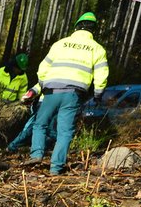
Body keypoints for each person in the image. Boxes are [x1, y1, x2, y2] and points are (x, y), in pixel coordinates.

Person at [27, 12, 109, 175]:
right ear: (93, 30)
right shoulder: (97, 49)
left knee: (40, 124)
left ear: (77, 26)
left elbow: (43, 68)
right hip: (73, 95)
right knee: (65, 132)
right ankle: (56, 168)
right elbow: (102, 74)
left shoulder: (60, 44)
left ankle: (36, 156)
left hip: (51, 92)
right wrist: (98, 94)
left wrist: (42, 85)